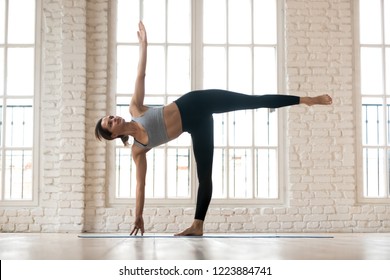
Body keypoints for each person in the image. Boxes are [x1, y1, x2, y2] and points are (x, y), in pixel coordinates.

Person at [95, 21, 333, 236]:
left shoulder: (135, 108)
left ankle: (306, 100)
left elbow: (141, 75)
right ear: (113, 135)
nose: (113, 118)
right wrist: (138, 215)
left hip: (197, 102)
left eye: (110, 116)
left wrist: (144, 45)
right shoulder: (138, 150)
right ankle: (198, 225)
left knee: (253, 101)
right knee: (204, 176)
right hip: (196, 125)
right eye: (109, 123)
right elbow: (140, 185)